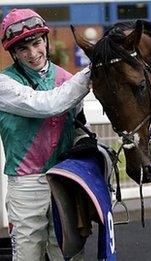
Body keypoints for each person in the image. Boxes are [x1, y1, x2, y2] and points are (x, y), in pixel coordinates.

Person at [0, 8, 91, 260]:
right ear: (14, 53)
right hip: (26, 185)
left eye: (37, 43)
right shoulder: (4, 84)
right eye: (23, 49)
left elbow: (79, 127)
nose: (33, 54)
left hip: (64, 179)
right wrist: (94, 68)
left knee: (69, 255)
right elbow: (48, 104)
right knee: (28, 256)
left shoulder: (66, 79)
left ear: (46, 40)